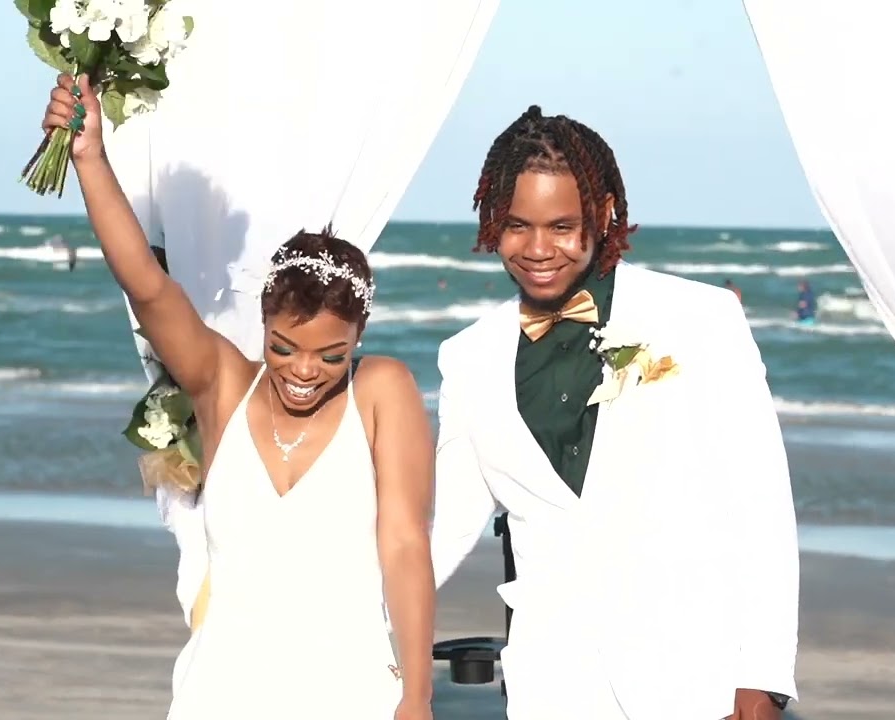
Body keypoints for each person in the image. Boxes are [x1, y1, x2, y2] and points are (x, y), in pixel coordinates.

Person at [41, 73, 435, 720]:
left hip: (349, 692)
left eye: (330, 354)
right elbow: (146, 285)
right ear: (263, 325)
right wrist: (90, 157)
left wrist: (415, 696)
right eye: (284, 346)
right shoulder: (224, 384)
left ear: (359, 336)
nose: (304, 369)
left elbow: (404, 544)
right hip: (220, 694)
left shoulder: (382, 391)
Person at [429, 105, 799, 719]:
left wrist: (762, 675)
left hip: (693, 677)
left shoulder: (701, 319)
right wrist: (355, 621)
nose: (537, 248)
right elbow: (446, 530)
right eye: (517, 226)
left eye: (561, 225)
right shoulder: (466, 358)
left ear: (602, 213)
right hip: (552, 682)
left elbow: (760, 505)